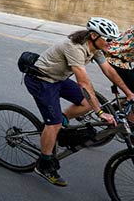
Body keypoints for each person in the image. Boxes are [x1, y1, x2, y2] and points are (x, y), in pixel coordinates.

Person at [24, 17, 134, 187]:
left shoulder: (95, 47)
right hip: (41, 81)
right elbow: (84, 83)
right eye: (108, 39)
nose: (111, 43)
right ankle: (44, 164)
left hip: (58, 79)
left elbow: (108, 70)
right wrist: (100, 112)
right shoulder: (75, 48)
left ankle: (60, 125)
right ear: (93, 36)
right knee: (53, 123)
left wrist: (129, 93)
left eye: (113, 39)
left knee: (86, 103)